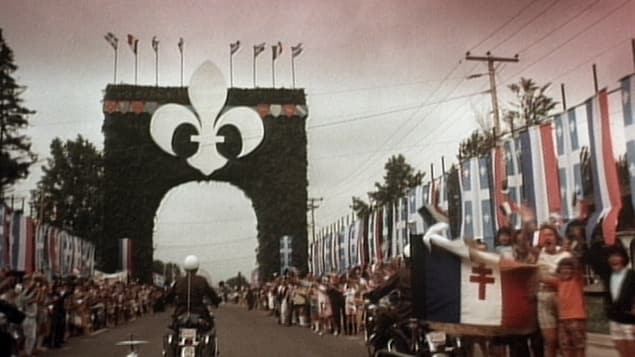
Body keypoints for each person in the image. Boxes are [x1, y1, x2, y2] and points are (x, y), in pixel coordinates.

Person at [586, 243, 635, 356]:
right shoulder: (607, 275)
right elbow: (591, 258)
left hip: (630, 321)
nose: (614, 259)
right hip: (615, 320)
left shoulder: (632, 275)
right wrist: (603, 245)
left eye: (617, 255)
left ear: (623, 257)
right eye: (610, 256)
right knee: (622, 353)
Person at [535, 224, 571, 357]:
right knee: (550, 340)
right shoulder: (538, 254)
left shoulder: (566, 255)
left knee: (564, 341)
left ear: (556, 237)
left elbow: (569, 278)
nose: (547, 238)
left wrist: (549, 279)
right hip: (544, 298)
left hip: (562, 298)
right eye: (543, 235)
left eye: (550, 234)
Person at [541, 258, 587, 357]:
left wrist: (570, 255)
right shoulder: (559, 282)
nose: (566, 271)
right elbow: (542, 278)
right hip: (562, 320)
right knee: (565, 346)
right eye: (563, 269)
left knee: (578, 346)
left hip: (576, 319)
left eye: (569, 269)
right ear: (559, 271)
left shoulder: (576, 280)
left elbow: (578, 267)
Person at [166, 255, 221, 323]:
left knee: (173, 325)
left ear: (185, 267)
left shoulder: (179, 281)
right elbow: (211, 293)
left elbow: (170, 296)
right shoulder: (202, 280)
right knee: (210, 323)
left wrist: (168, 301)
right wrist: (216, 301)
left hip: (181, 311)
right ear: (197, 267)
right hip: (199, 310)